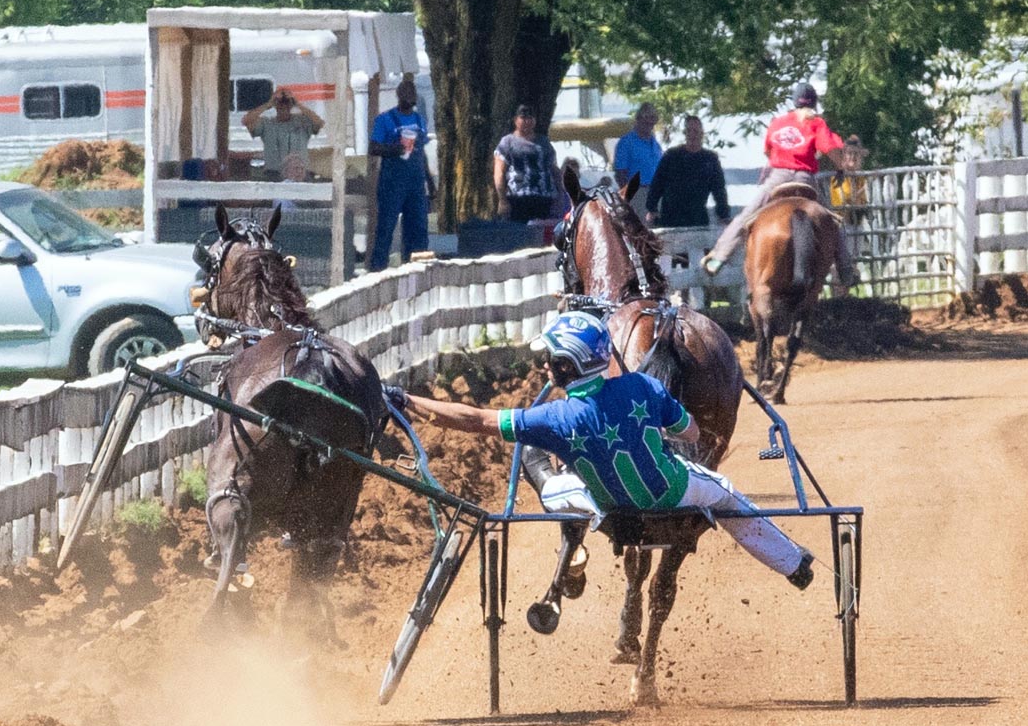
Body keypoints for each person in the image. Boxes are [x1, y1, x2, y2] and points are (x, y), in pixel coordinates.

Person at [385, 311, 815, 591]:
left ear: (566, 365)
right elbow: (690, 432)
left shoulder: (553, 417)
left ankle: (573, 545)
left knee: (553, 487)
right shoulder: (644, 386)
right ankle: (793, 564)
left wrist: (408, 401)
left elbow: (476, 420)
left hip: (606, 506)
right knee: (727, 494)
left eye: (550, 359)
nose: (545, 366)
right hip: (673, 492)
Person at [701, 84, 857, 286]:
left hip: (778, 177)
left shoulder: (778, 122)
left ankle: (718, 257)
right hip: (804, 179)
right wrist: (841, 165)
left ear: (794, 101)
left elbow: (767, 151)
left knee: (747, 215)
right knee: (833, 221)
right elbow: (830, 149)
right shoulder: (816, 123)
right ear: (814, 102)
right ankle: (845, 270)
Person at [367, 77, 434, 273]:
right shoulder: (385, 120)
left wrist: (430, 183)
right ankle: (377, 271)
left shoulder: (419, 120)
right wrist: (393, 149)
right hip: (392, 183)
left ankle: (415, 270)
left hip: (416, 184)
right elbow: (373, 148)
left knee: (418, 229)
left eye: (412, 93)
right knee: (386, 228)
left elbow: (421, 154)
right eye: (405, 93)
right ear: (398, 95)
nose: (409, 97)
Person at [645, 115, 731, 228]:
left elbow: (719, 189)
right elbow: (657, 183)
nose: (692, 135)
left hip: (697, 219)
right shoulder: (671, 156)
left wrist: (724, 215)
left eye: (695, 131)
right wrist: (652, 208)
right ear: (685, 133)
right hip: (670, 218)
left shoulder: (710, 159)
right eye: (688, 131)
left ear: (702, 134)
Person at [493, 105, 562, 223]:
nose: (527, 121)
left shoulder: (544, 142)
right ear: (516, 120)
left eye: (530, 118)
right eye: (523, 118)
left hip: (544, 198)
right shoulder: (507, 142)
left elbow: (554, 170)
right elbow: (499, 173)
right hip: (518, 198)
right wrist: (502, 200)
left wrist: (560, 195)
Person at [242, 86, 324, 181]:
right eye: (280, 104)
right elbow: (246, 121)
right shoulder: (266, 123)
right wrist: (268, 104)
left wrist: (297, 103)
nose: (283, 106)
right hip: (274, 173)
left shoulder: (302, 122)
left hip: (300, 173)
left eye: (287, 104)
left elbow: (319, 123)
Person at [614, 103, 663, 216]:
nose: (649, 122)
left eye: (652, 119)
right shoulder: (626, 142)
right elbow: (620, 173)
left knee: (659, 225)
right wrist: (628, 197)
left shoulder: (655, 145)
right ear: (638, 119)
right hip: (638, 193)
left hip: (656, 194)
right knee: (642, 226)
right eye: (646, 118)